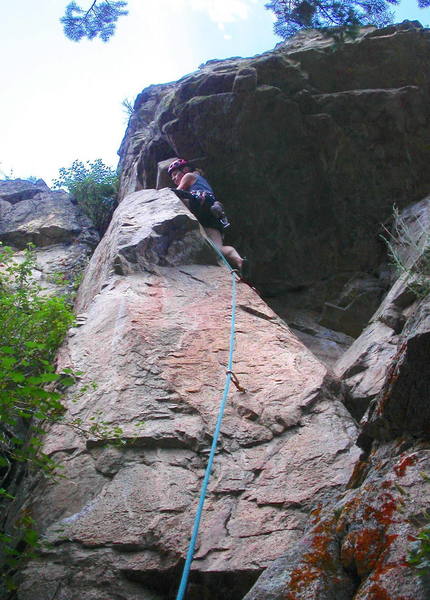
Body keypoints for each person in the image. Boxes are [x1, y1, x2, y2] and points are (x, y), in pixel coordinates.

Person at [168, 158, 244, 272]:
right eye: (172, 177)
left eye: (175, 174)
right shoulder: (202, 181)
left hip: (199, 201)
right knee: (218, 248)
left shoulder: (188, 176)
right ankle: (240, 262)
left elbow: (177, 191)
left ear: (185, 169)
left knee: (170, 193)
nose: (174, 178)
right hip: (212, 212)